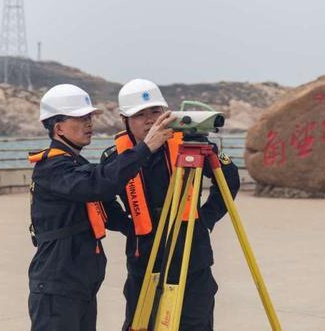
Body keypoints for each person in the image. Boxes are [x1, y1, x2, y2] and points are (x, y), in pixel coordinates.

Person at [27, 83, 174, 331]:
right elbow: (97, 186)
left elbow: (107, 210)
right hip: (57, 285)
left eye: (90, 117)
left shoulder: (75, 163)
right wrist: (145, 148)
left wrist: (144, 231)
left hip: (79, 285)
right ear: (58, 127)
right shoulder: (52, 168)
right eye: (81, 118)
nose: (89, 123)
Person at [101, 79, 241, 331]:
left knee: (195, 323)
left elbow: (229, 182)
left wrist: (205, 220)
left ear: (166, 112)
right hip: (144, 256)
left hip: (191, 254)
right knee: (141, 323)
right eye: (140, 115)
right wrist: (128, 226)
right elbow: (102, 196)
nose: (149, 120)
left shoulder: (191, 146)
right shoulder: (116, 157)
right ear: (125, 120)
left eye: (155, 112)